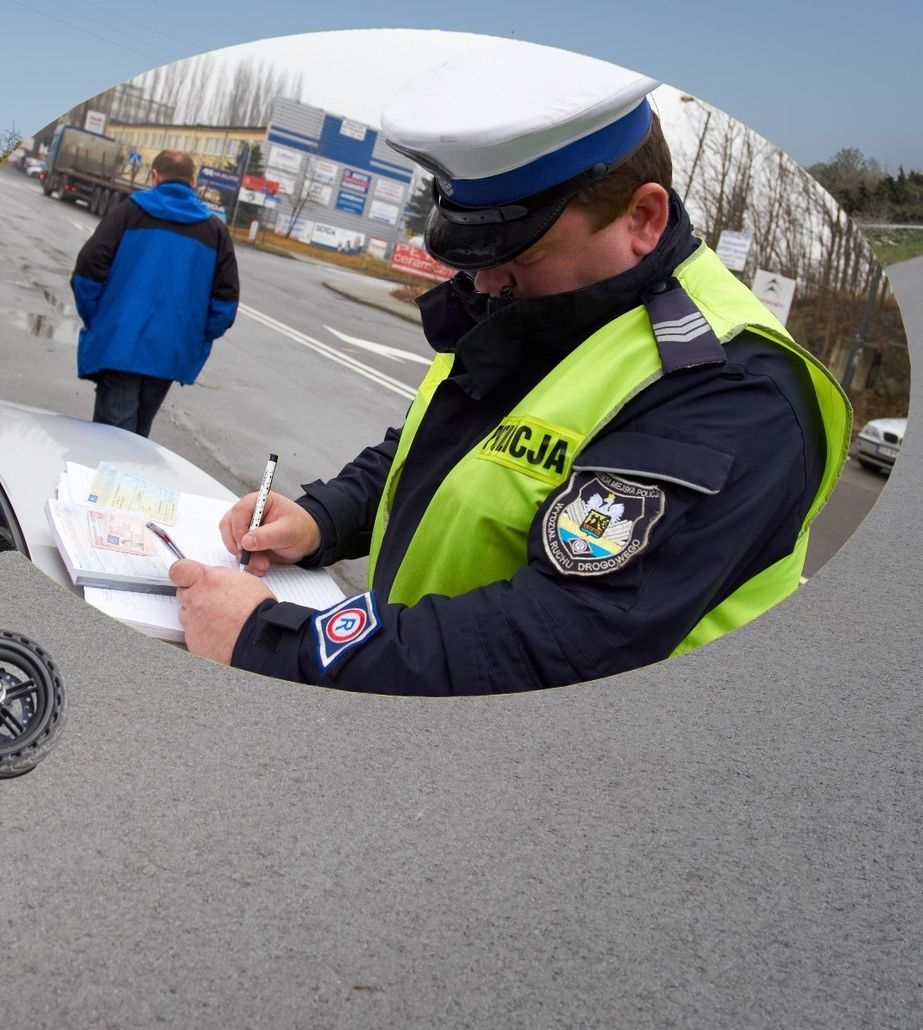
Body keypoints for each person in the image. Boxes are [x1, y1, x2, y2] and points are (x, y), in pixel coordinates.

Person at [167, 40, 851, 695]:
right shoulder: (557, 304)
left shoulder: (728, 389)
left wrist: (273, 642)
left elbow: (560, 642)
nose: (487, 282)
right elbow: (436, 450)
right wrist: (324, 518)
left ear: (643, 217)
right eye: (477, 255)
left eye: (519, 254)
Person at [71, 148, 240, 437]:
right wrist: (193, 337)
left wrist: (98, 317)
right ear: (193, 182)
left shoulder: (128, 212)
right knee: (137, 437)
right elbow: (225, 302)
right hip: (171, 349)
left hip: (120, 339)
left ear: (154, 176)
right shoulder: (215, 231)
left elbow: (88, 269)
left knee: (112, 440)